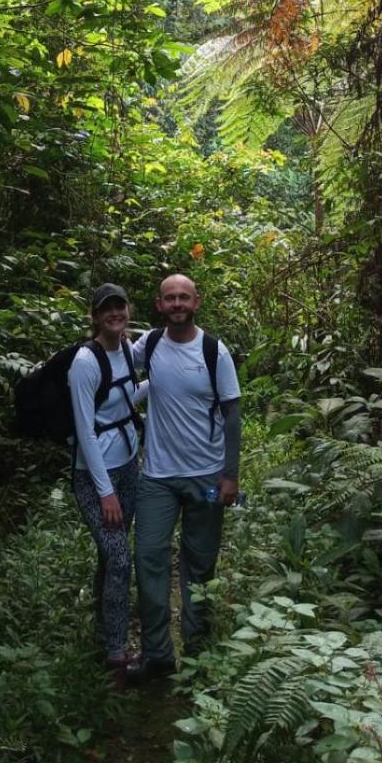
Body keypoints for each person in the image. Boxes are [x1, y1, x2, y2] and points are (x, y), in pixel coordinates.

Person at [128, 272, 241, 681]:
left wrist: (230, 475)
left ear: (196, 302)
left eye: (184, 297)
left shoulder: (213, 351)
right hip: (157, 476)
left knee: (200, 563)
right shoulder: (149, 345)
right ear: (159, 305)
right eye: (170, 298)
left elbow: (232, 413)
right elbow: (113, 363)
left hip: (206, 475)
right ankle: (157, 655)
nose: (177, 304)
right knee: (148, 558)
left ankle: (196, 651)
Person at [68, 282, 146, 682]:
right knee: (119, 559)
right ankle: (116, 653)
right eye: (107, 309)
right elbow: (85, 430)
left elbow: (124, 400)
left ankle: (102, 626)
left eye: (120, 306)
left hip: (128, 465)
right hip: (95, 477)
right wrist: (105, 492)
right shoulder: (85, 362)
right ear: (96, 316)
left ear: (127, 311)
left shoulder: (127, 350)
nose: (115, 313)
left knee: (109, 555)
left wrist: (158, 383)